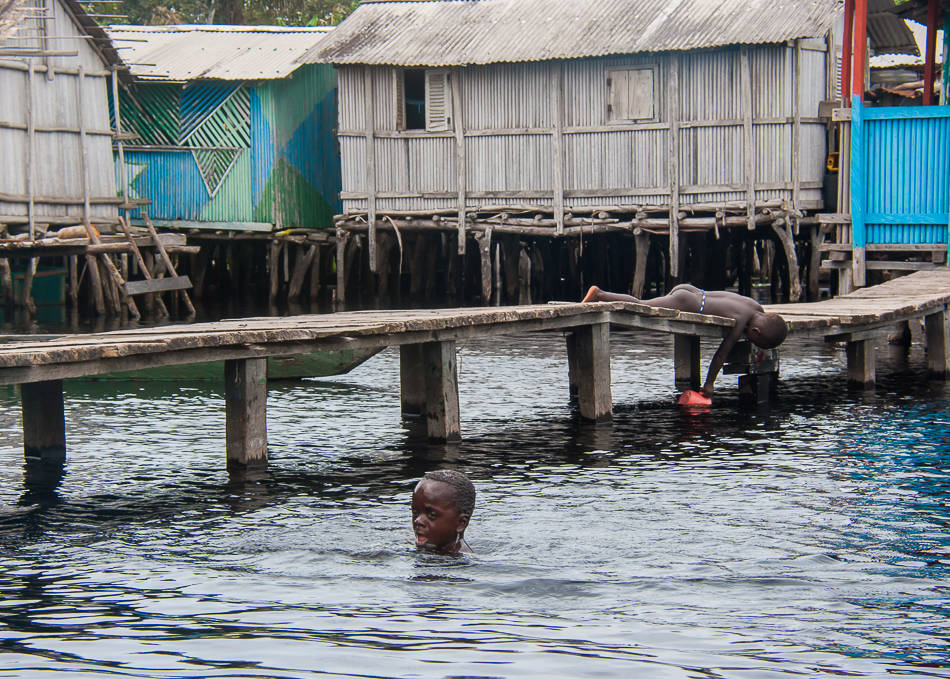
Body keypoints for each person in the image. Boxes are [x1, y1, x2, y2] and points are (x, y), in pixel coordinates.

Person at [582, 284, 787, 399]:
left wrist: (760, 347)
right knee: (642, 307)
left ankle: (600, 295)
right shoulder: (741, 322)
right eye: (755, 340)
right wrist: (709, 385)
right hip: (688, 303)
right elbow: (721, 355)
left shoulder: (756, 308)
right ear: (755, 332)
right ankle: (600, 294)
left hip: (695, 292)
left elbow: (765, 326)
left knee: (645, 306)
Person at [411, 470, 475, 555]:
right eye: (415, 513)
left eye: (431, 515)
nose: (418, 521)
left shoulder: (466, 565)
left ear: (461, 523)